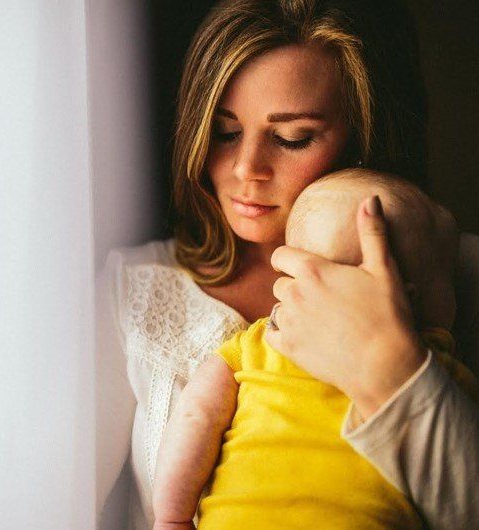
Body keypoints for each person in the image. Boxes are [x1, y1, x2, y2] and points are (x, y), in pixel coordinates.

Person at [95, 1, 479, 529]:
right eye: (225, 132)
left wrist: (390, 370)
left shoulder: (459, 277)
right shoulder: (133, 291)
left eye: (292, 138)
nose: (247, 168)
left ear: (365, 136)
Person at [151, 169, 479, 530]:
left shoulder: (256, 344)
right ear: (410, 295)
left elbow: (195, 416)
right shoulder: (437, 375)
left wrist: (172, 517)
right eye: (447, 276)